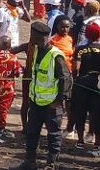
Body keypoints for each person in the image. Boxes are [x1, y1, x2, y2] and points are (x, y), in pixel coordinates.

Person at [12, 22, 72, 170]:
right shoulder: (37, 51)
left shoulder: (55, 55)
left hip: (51, 105)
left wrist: (58, 101)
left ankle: (51, 164)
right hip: (36, 102)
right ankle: (29, 162)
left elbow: (66, 79)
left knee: (53, 135)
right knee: (32, 133)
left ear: (38, 36)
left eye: (32, 36)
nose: (30, 38)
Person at [72, 22, 100, 151]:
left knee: (80, 112)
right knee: (96, 114)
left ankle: (80, 141)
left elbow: (75, 68)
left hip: (81, 84)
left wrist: (76, 77)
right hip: (97, 84)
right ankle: (97, 144)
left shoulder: (80, 49)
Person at [0, 35, 21, 139]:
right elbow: (17, 73)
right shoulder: (13, 58)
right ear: (10, 46)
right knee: (4, 108)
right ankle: (1, 128)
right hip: (8, 88)